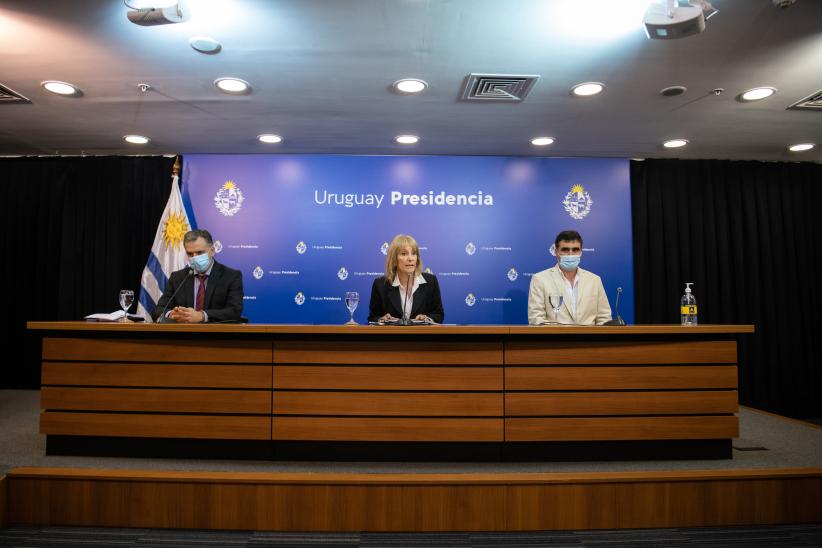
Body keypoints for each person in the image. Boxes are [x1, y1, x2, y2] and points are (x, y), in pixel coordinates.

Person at [154, 229, 244, 323]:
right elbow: (158, 310)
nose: (195, 257)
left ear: (212, 250)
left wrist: (202, 316)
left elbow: (234, 311)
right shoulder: (177, 277)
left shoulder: (231, 277)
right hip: (183, 335)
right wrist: (172, 314)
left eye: (200, 252)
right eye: (190, 254)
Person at [527, 230, 611, 326]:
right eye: (565, 250)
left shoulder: (594, 280)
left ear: (581, 252)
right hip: (553, 340)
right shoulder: (540, 279)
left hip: (589, 340)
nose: (570, 254)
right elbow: (536, 320)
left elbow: (604, 318)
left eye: (575, 250)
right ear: (556, 252)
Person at [368, 234, 444, 324]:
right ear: (394, 259)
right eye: (404, 254)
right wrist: (382, 319)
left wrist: (427, 319)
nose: (410, 258)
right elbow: (373, 317)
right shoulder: (380, 284)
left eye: (414, 253)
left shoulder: (431, 281)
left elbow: (438, 314)